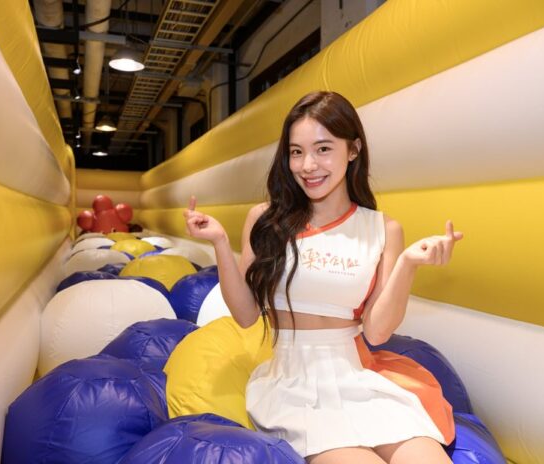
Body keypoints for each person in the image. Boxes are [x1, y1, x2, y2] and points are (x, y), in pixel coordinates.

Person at [183, 91, 463, 464]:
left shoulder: (383, 229)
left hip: (358, 379)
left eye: (323, 149)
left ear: (353, 149)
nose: (308, 165)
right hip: (293, 386)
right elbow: (246, 315)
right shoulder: (266, 220)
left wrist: (408, 265)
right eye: (296, 152)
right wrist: (220, 241)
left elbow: (377, 332)